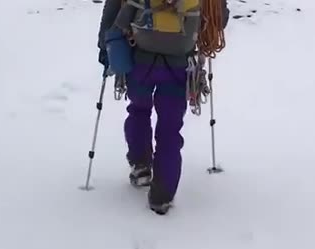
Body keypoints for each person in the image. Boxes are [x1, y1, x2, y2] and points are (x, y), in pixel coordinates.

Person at [97, 0, 230, 215]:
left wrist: (104, 44)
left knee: (138, 110)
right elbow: (219, 20)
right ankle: (162, 196)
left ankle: (140, 165)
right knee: (170, 128)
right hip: (179, 66)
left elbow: (113, 8)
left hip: (140, 59)